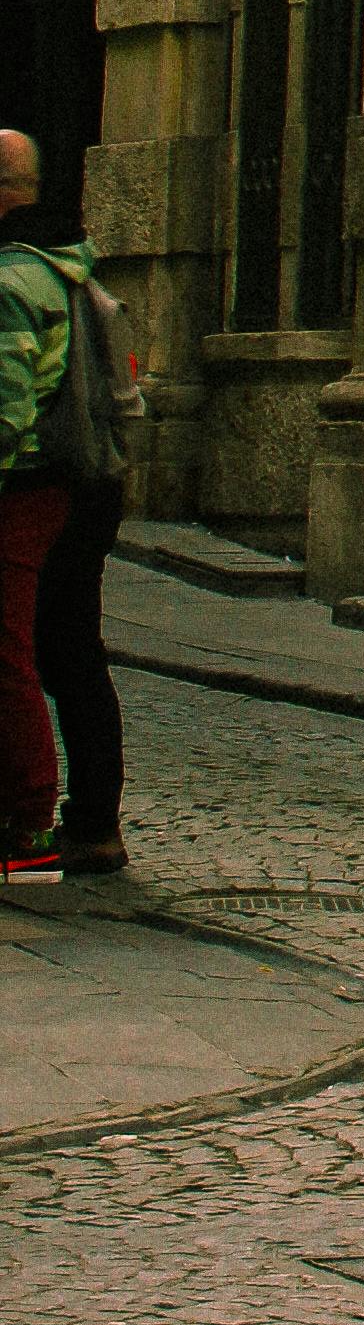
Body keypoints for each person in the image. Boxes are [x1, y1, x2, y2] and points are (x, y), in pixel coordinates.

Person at [0, 130, 77, 884]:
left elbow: (6, 403)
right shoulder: (64, 267)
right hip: (58, 484)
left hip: (17, 485)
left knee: (7, 651)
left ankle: (30, 826)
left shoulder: (12, 281)